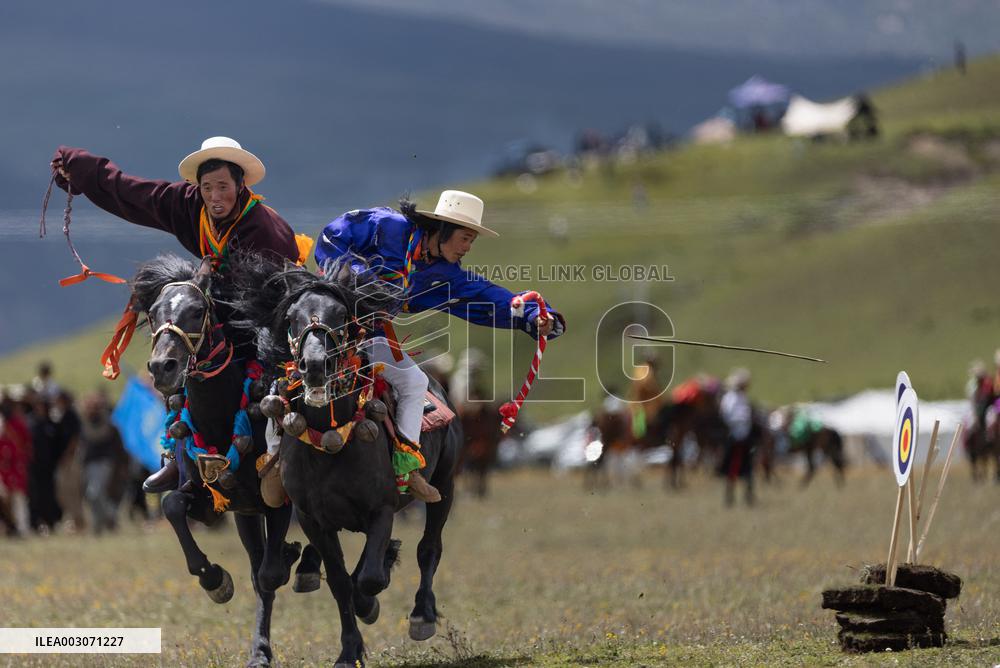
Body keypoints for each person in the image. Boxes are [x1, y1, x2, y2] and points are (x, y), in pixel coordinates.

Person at [51, 137, 309, 494]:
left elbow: (274, 302)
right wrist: (78, 169)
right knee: (186, 351)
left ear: (240, 185)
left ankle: (287, 458)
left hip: (270, 315)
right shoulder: (189, 205)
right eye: (207, 188)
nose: (215, 196)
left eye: (223, 187)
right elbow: (130, 193)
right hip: (220, 313)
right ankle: (178, 458)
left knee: (283, 381)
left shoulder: (266, 231)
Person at [297, 190, 566, 503]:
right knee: (279, 365)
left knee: (415, 381)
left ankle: (406, 470)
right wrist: (355, 273)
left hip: (367, 335)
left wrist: (535, 316)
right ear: (442, 229)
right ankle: (273, 460)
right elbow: (332, 235)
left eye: (471, 241)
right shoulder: (389, 225)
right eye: (464, 238)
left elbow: (489, 298)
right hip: (324, 322)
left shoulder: (444, 276)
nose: (467, 248)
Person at [719, 368, 755, 507]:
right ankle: (730, 497)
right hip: (735, 436)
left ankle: (749, 496)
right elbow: (727, 415)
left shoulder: (742, 397)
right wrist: (741, 419)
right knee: (733, 469)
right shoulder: (730, 398)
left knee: (748, 469)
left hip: (745, 436)